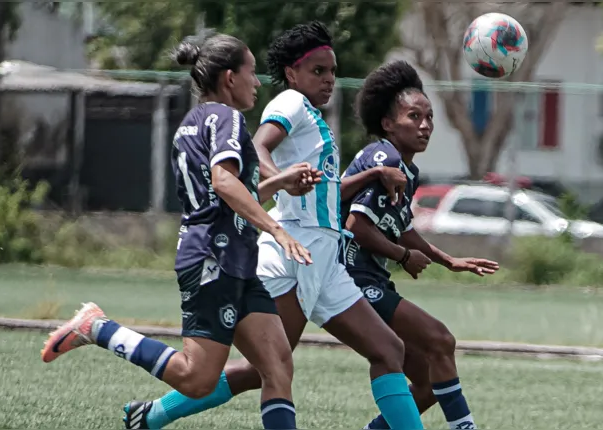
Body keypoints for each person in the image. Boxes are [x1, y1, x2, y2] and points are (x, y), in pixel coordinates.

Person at [123, 21, 424, 430]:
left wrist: (372, 176)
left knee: (388, 350)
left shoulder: (312, 117)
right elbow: (260, 145)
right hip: (295, 252)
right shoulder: (290, 103)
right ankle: (154, 415)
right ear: (292, 75)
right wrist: (279, 181)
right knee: (269, 369)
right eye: (318, 71)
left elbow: (324, 191)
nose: (329, 79)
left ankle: (152, 416)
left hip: (325, 257)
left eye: (332, 71)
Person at [41, 32, 320, 430]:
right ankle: (98, 329)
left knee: (277, 366)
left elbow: (221, 193)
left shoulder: (191, 123)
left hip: (234, 258)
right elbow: (224, 184)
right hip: (213, 258)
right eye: (252, 72)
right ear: (229, 78)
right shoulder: (226, 117)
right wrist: (277, 229)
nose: (257, 82)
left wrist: (280, 182)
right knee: (196, 378)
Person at [342, 60, 500, 430]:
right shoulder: (387, 158)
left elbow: (401, 228)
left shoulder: (405, 169)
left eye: (429, 117)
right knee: (440, 339)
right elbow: (357, 226)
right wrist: (402, 256)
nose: (425, 125)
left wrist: (449, 261)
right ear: (387, 123)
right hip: (352, 279)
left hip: (370, 280)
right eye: (414, 116)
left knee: (429, 381)